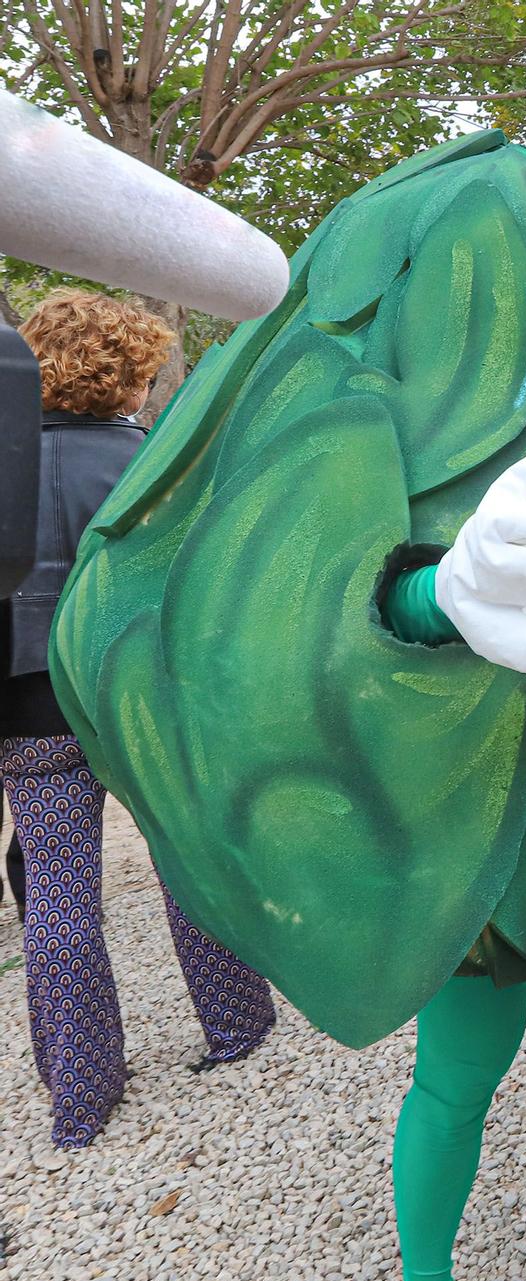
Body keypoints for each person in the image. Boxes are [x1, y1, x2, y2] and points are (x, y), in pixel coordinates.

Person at [7, 289, 276, 1148]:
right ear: (130, 370)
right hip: (136, 700)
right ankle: (236, 1028)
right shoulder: (152, 466)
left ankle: (82, 1096)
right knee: (184, 857)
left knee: (54, 889)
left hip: (25, 702)